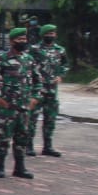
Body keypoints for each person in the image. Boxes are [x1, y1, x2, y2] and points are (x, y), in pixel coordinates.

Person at [0, 27, 42, 180]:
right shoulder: (2, 59)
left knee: (22, 136)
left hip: (24, 106)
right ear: (11, 41)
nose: (22, 42)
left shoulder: (29, 59)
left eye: (24, 39)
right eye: (19, 39)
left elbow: (37, 80)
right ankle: (0, 166)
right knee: (4, 137)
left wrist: (35, 97)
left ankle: (19, 167)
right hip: (7, 106)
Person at [28, 24, 68, 157]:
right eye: (48, 33)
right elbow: (27, 64)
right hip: (37, 90)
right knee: (32, 118)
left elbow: (65, 64)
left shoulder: (60, 50)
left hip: (52, 90)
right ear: (42, 35)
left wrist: (60, 75)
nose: (50, 36)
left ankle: (48, 146)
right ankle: (28, 145)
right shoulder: (34, 49)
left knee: (50, 118)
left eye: (53, 33)